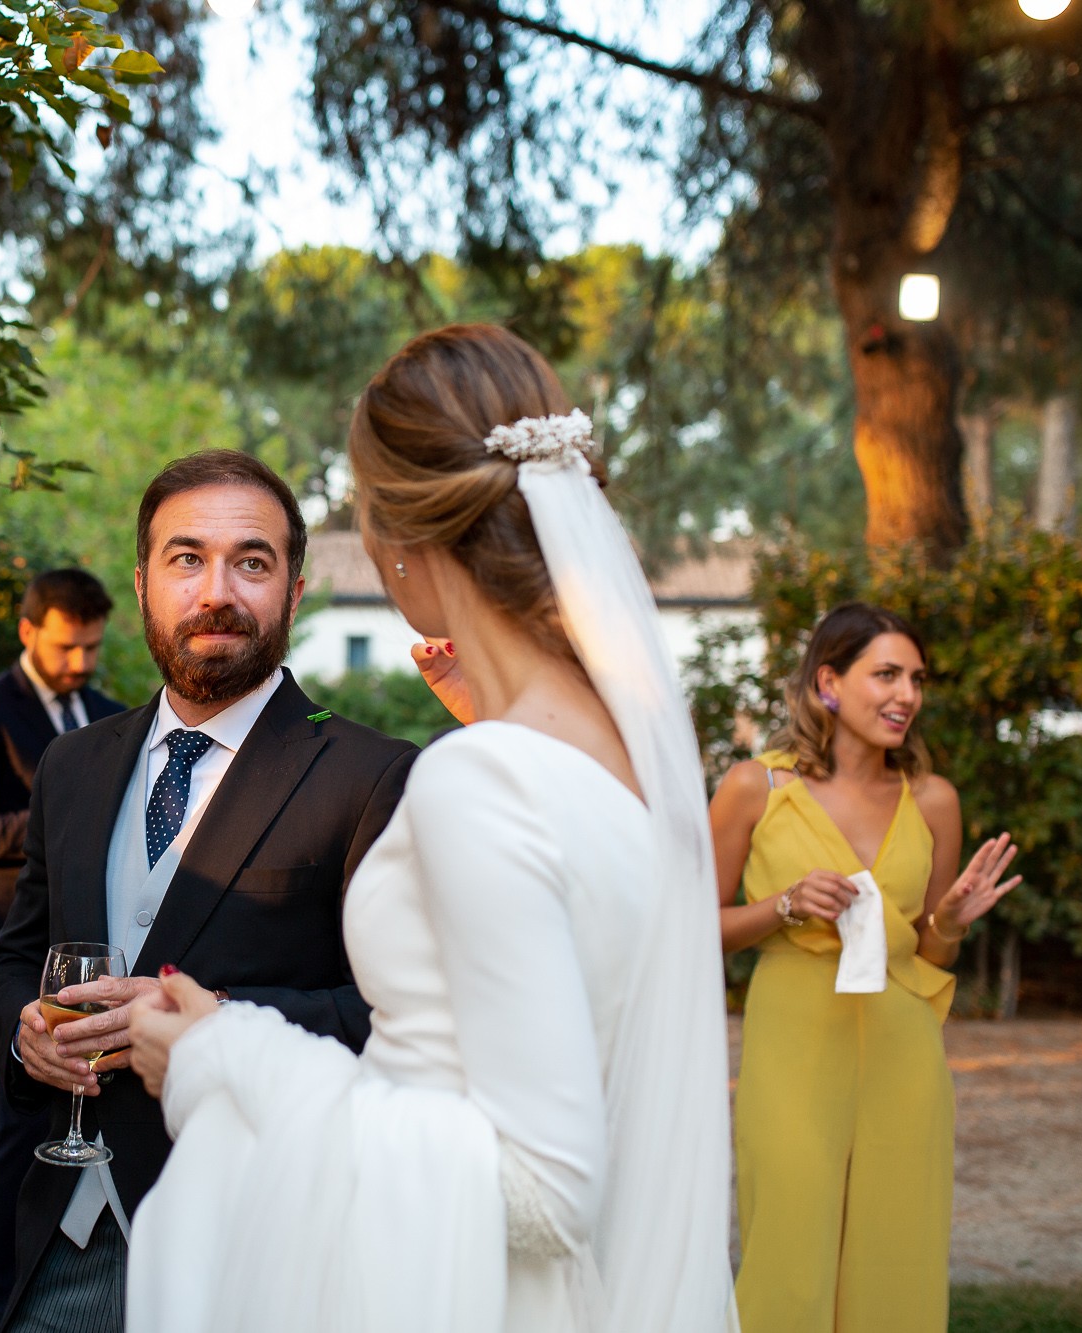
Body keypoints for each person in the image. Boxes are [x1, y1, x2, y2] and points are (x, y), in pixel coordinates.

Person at [124, 326, 739, 1333]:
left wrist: (227, 1052)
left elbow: (541, 1191)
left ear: (395, 533)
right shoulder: (625, 755)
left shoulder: (480, 780)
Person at [0, 450, 419, 1333]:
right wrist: (28, 1031)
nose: (217, 589)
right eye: (187, 559)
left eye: (251, 562)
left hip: (257, 1241)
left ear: (294, 591)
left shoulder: (373, 776)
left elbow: (398, 1019)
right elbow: (16, 955)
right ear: (142, 582)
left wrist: (215, 1015)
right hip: (63, 1230)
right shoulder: (74, 763)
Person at [711, 603, 1020, 1333]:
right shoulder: (756, 788)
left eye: (916, 678)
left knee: (896, 1255)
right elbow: (689, 928)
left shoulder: (934, 800)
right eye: (886, 674)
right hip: (793, 1045)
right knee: (787, 1258)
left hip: (902, 1047)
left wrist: (947, 922)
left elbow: (927, 946)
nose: (907, 694)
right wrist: (783, 905)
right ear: (828, 683)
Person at [0, 568, 128, 1333]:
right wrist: (61, 817)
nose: (81, 661)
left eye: (91, 646)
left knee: (91, 1125)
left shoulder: (115, 717)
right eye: (66, 645)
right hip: (12, 956)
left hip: (95, 962)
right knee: (17, 1129)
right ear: (28, 631)